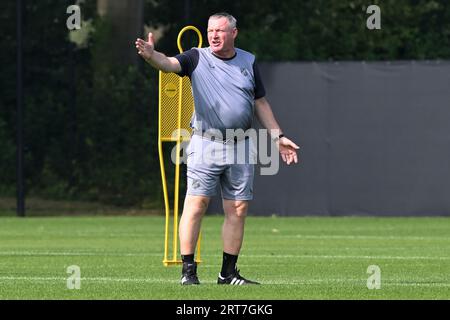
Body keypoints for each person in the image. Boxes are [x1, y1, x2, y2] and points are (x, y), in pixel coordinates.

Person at [135, 12, 299, 285]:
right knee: (196, 204)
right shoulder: (196, 56)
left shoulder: (248, 60)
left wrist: (277, 136)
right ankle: (188, 273)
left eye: (220, 31)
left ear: (234, 33)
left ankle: (228, 274)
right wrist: (151, 55)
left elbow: (260, 102)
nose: (213, 35)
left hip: (242, 144)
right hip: (205, 142)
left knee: (237, 209)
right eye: (211, 30)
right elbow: (167, 64)